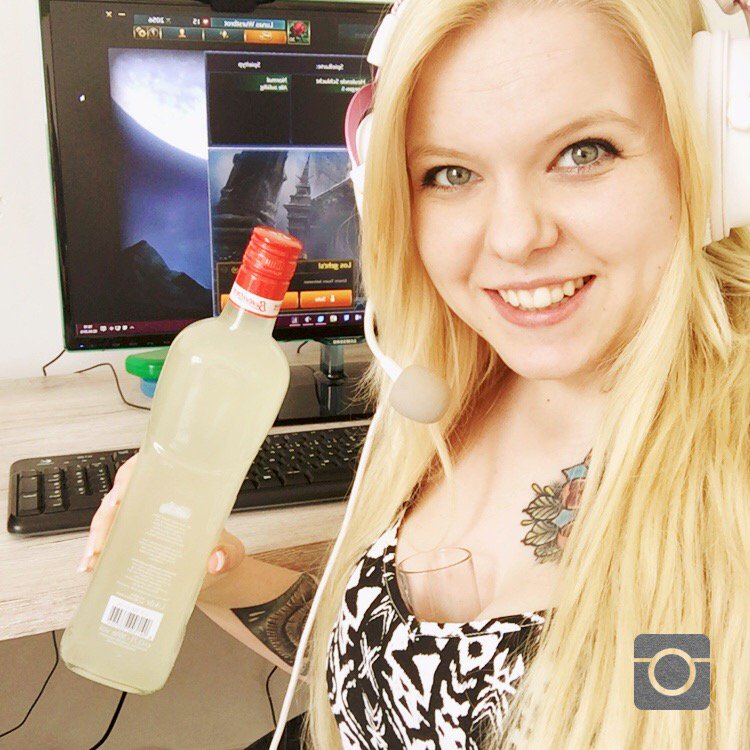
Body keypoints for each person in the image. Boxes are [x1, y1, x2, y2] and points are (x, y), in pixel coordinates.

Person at [78, 0, 750, 748]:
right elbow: (389, 674)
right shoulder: (448, 398)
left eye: (583, 152)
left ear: (714, 154)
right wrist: (213, 573)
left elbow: (677, 712)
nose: (515, 237)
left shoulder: (726, 495)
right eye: (451, 173)